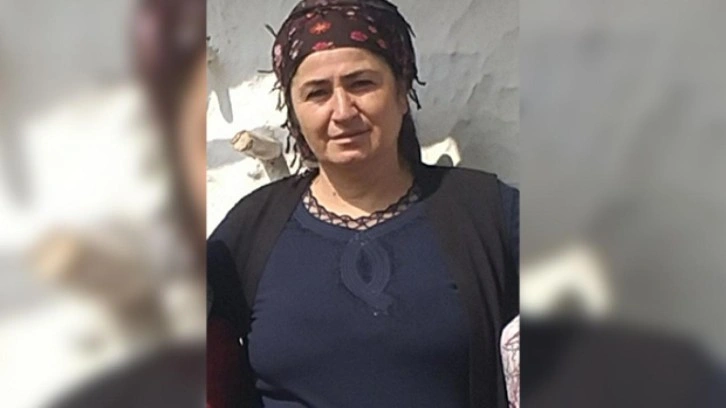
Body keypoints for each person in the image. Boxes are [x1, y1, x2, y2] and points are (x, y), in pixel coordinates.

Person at [207, 0, 519, 407]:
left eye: (361, 84)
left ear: (402, 92)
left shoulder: (484, 213)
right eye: (317, 93)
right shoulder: (251, 230)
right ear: (294, 111)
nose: (342, 111)